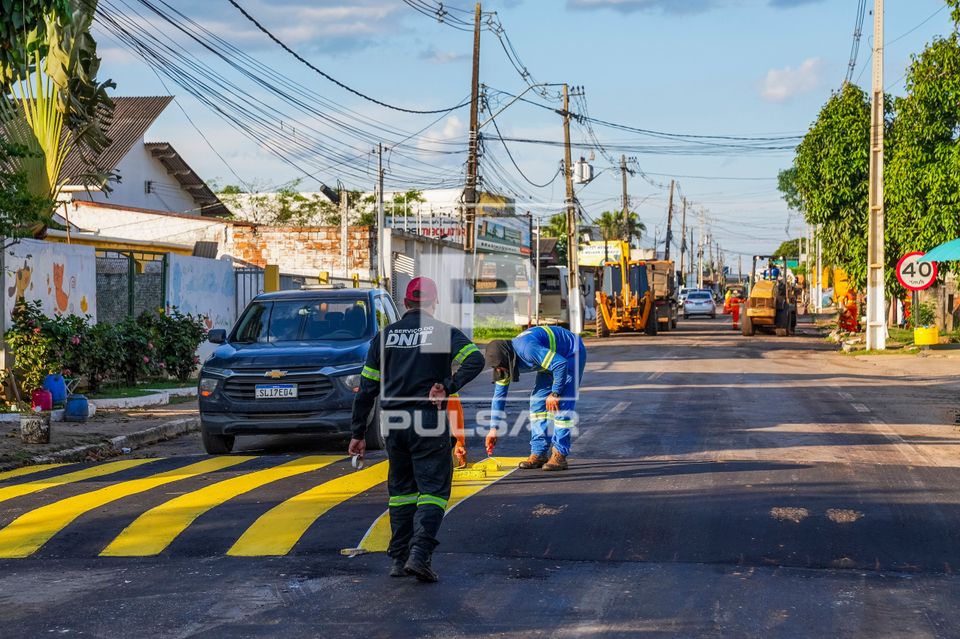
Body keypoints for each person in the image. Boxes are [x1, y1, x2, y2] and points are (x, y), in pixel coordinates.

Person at [350, 277, 484, 583]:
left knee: (401, 492)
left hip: (393, 424)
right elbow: (475, 359)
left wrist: (357, 433)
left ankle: (399, 559)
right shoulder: (442, 332)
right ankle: (419, 555)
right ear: (434, 303)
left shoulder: (384, 337)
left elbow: (367, 388)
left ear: (406, 303)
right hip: (428, 421)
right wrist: (448, 385)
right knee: (433, 491)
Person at [483, 325, 586, 471]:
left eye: (500, 367)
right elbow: (499, 396)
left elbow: (560, 364)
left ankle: (559, 454)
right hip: (550, 361)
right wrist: (494, 428)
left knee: (561, 405)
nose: (499, 371)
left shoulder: (527, 349)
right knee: (538, 403)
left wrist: (555, 393)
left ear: (507, 358)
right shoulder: (504, 364)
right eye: (496, 368)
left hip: (570, 353)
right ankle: (539, 452)